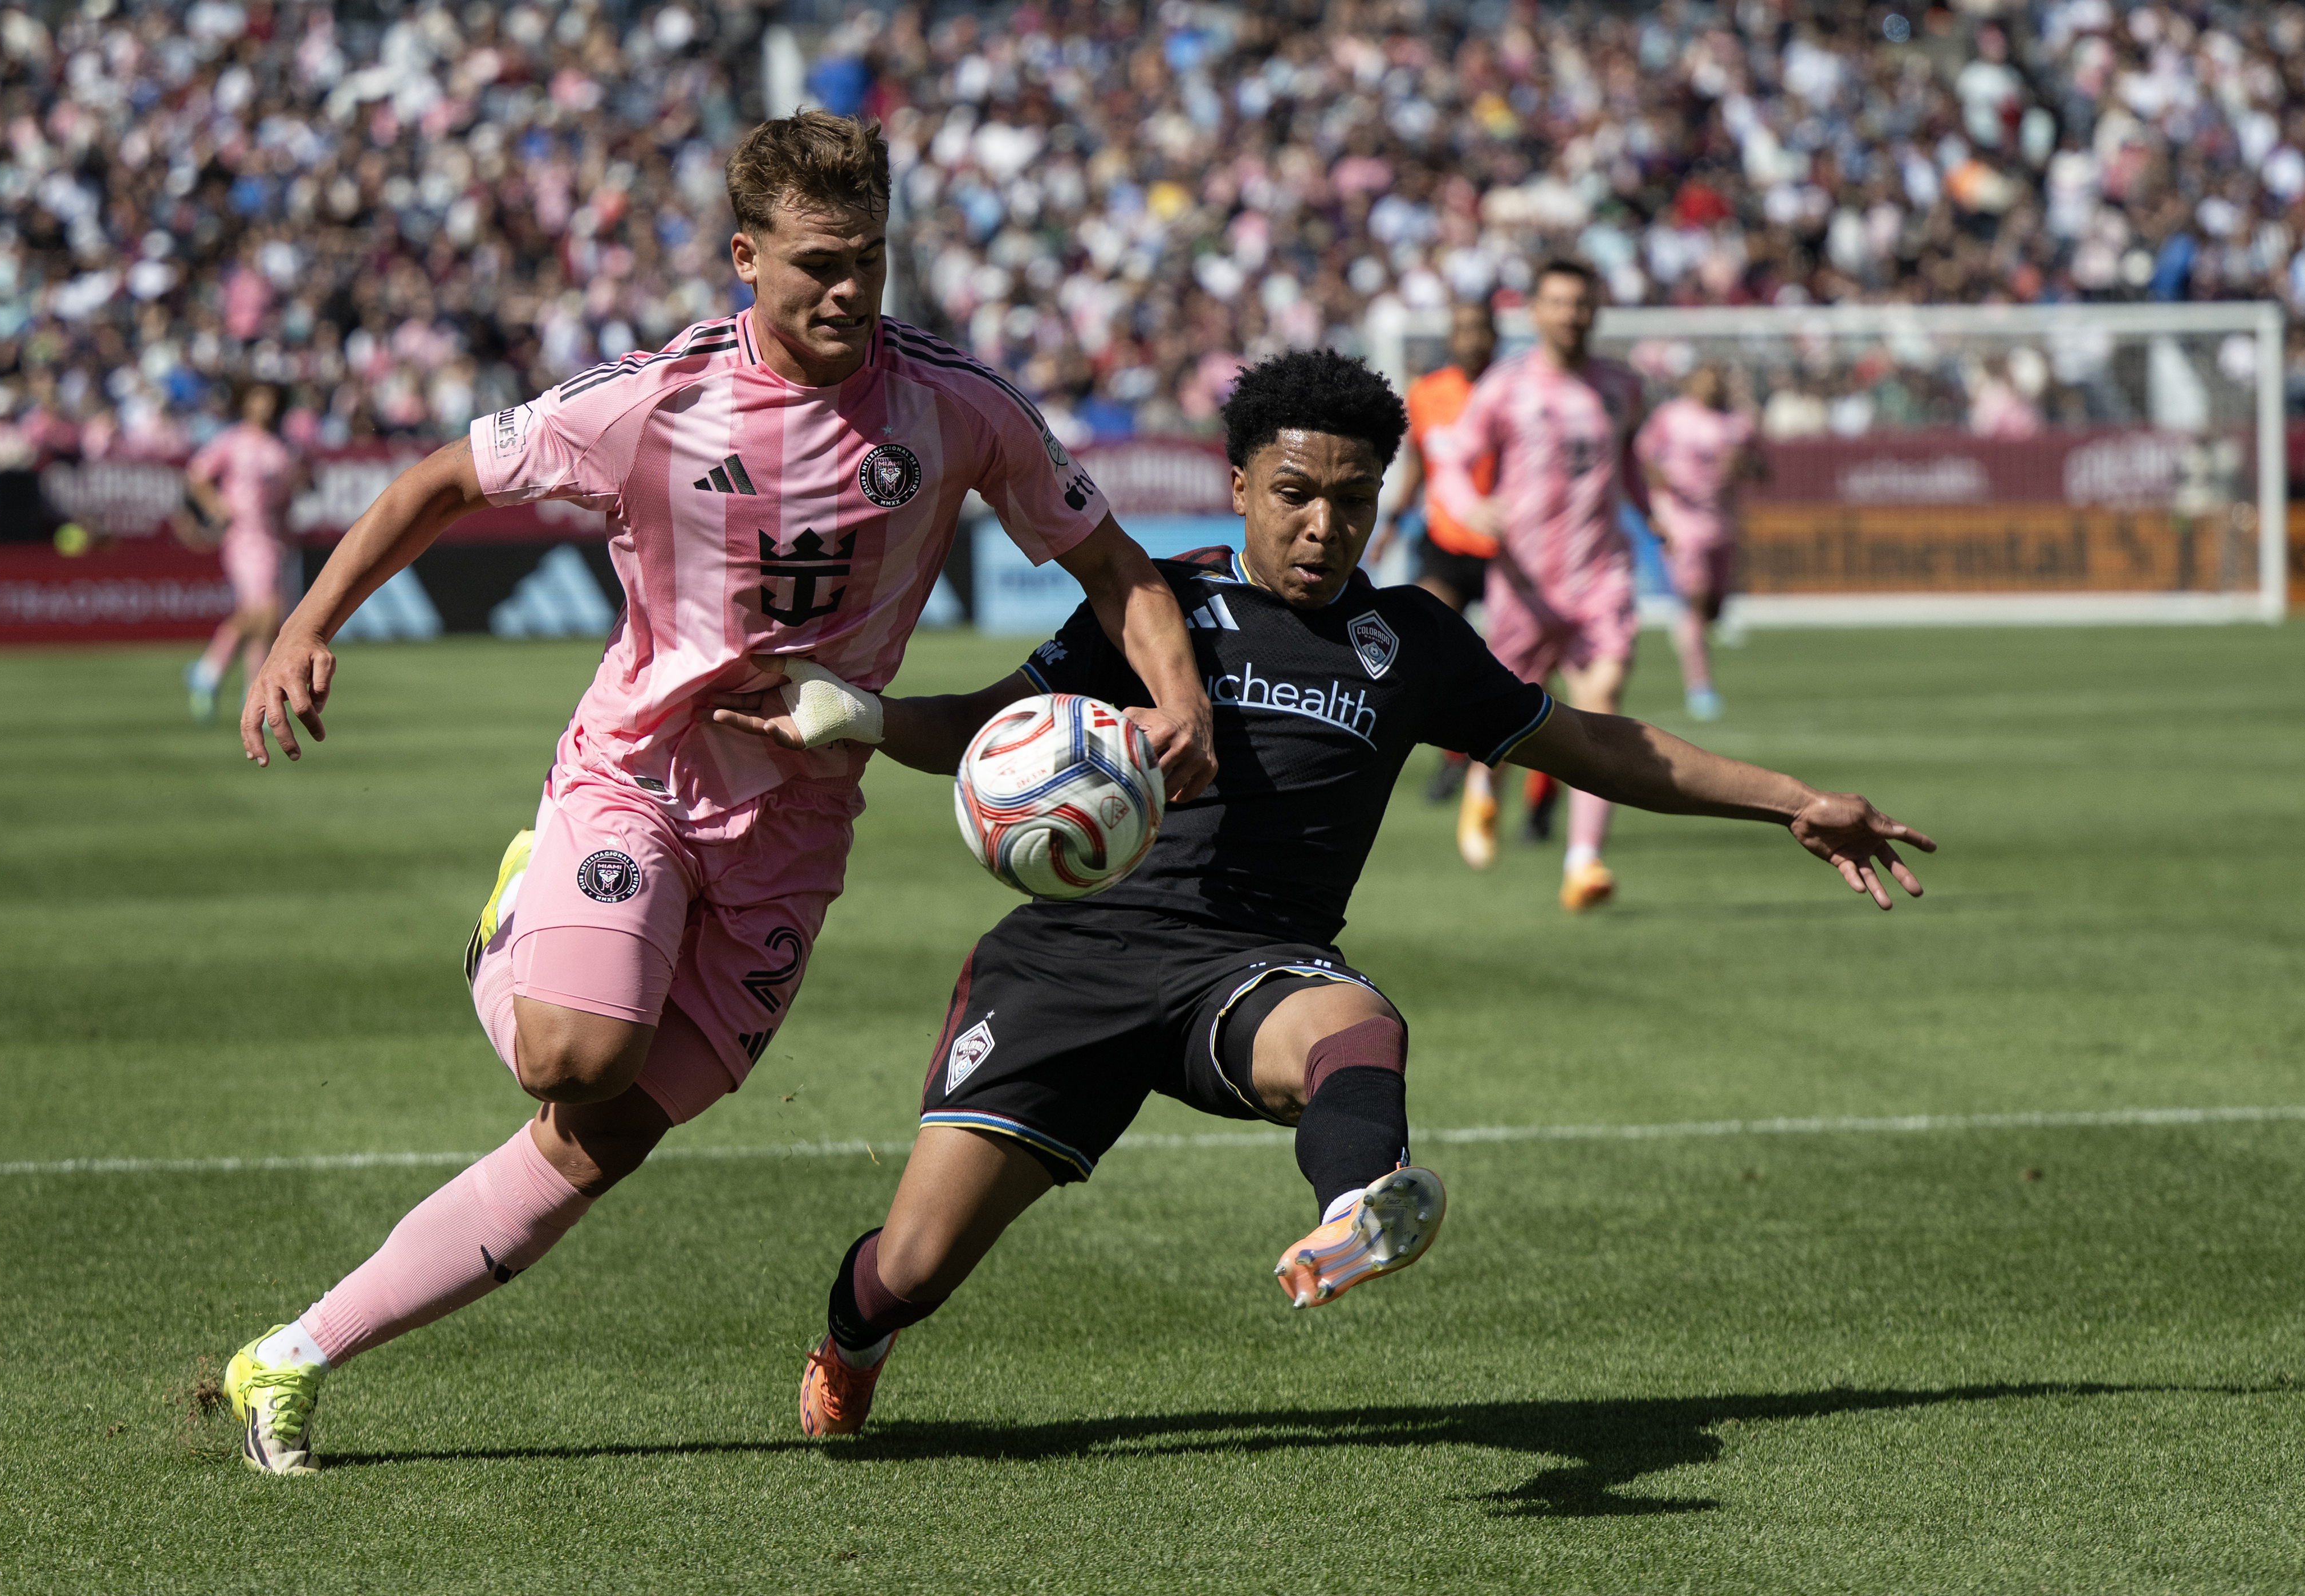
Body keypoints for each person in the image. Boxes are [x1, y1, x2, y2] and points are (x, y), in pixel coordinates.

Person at [214, 111, 1217, 1477]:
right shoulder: (657, 398)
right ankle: (520, 915)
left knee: (607, 1132)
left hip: (799, 825)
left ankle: (293, 1355)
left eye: (869, 257)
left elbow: (1117, 566)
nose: (850, 290)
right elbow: (445, 479)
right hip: (642, 773)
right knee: (572, 1056)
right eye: (816, 262)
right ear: (747, 258)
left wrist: (1180, 702)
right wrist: (305, 623)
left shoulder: (957, 407)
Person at [710, 348, 1931, 1438]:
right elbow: (986, 727)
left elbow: (1604, 747)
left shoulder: (1411, 641)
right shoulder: (1152, 603)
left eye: (1354, 500)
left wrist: (1790, 798)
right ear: (1238, 485)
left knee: (1360, 1023)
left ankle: (1358, 1203)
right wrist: (861, 717)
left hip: (1246, 966)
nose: (1323, 525)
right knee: (912, 1268)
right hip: (1066, 962)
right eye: (1296, 494)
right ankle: (849, 1348)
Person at [1428, 260, 1648, 911]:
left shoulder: (1622, 387)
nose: (1571, 314)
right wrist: (1468, 505)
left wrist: (1649, 507)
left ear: (1596, 309)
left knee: (1601, 702)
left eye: (1582, 302)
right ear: (1536, 311)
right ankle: (1482, 789)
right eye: (1558, 302)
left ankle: (1584, 862)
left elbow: (1628, 457)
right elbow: (1452, 458)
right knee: (1507, 714)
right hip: (1525, 576)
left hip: (1601, 571)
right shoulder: (1506, 386)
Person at [1382, 297, 1501, 804]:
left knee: (1534, 668)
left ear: (1495, 335)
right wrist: (1391, 521)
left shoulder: (1515, 390)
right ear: (1452, 338)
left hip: (1510, 549)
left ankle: (1541, 800)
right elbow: (1418, 468)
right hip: (1447, 543)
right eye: (1463, 329)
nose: (1472, 338)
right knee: (1427, 639)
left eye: (1480, 328)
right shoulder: (1427, 394)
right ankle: (1446, 753)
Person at [1635, 365, 1760, 720]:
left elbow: (1761, 469)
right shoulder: (1670, 418)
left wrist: (1745, 465)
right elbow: (1642, 456)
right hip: (1680, 522)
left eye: (1718, 378)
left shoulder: (1737, 424)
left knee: (1713, 607)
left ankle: (1694, 631)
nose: (1713, 384)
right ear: (1692, 383)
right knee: (1696, 597)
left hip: (1721, 524)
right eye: (1706, 377)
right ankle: (1701, 687)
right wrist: (1663, 483)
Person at [180, 381, 300, 723]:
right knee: (263, 611)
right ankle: (215, 673)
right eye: (258, 398)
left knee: (267, 622)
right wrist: (216, 505)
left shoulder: (281, 449)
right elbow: (198, 474)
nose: (263, 406)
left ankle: (242, 689)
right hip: (244, 539)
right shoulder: (233, 441)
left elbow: (285, 500)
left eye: (269, 400)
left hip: (272, 539)